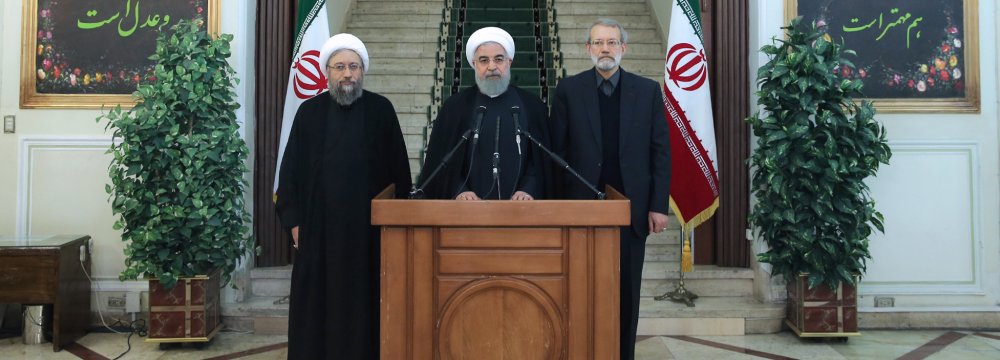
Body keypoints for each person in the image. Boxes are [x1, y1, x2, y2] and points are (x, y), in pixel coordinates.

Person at [274, 33, 412, 359]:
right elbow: (289, 175)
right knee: (317, 312)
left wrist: (398, 224)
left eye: (354, 66)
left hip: (370, 237)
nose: (347, 73)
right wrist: (293, 224)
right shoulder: (308, 113)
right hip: (318, 235)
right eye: (340, 67)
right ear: (327, 73)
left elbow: (400, 175)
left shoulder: (381, 110)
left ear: (363, 71)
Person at [549, 19, 670, 360]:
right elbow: (556, 152)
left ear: (623, 49)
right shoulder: (568, 91)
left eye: (612, 42)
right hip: (581, 209)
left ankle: (623, 354)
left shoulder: (647, 91)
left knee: (627, 291)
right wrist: (558, 207)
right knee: (581, 288)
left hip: (632, 210)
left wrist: (658, 205)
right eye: (598, 42)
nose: (605, 49)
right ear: (588, 49)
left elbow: (660, 151)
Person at [419, 27, 549, 201]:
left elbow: (541, 163)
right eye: (484, 60)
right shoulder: (455, 108)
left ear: (509, 62)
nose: (492, 66)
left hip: (522, 213)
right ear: (474, 64)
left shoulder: (532, 106)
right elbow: (443, 162)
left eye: (498, 59)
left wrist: (529, 189)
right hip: (466, 216)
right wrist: (460, 191)